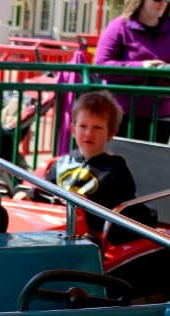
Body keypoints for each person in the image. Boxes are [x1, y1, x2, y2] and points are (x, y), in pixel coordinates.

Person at [41, 90, 156, 243]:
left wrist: (87, 205)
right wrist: (28, 194)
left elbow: (123, 210)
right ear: (73, 129)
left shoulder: (115, 168)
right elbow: (42, 193)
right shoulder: (61, 164)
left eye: (97, 128)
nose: (89, 133)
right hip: (55, 230)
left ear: (111, 133)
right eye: (83, 126)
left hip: (92, 236)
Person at [94, 0, 170, 144]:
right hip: (123, 113)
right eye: (157, 0)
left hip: (162, 114)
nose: (163, 4)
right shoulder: (119, 26)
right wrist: (141, 67)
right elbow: (101, 66)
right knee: (120, 163)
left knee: (152, 164)